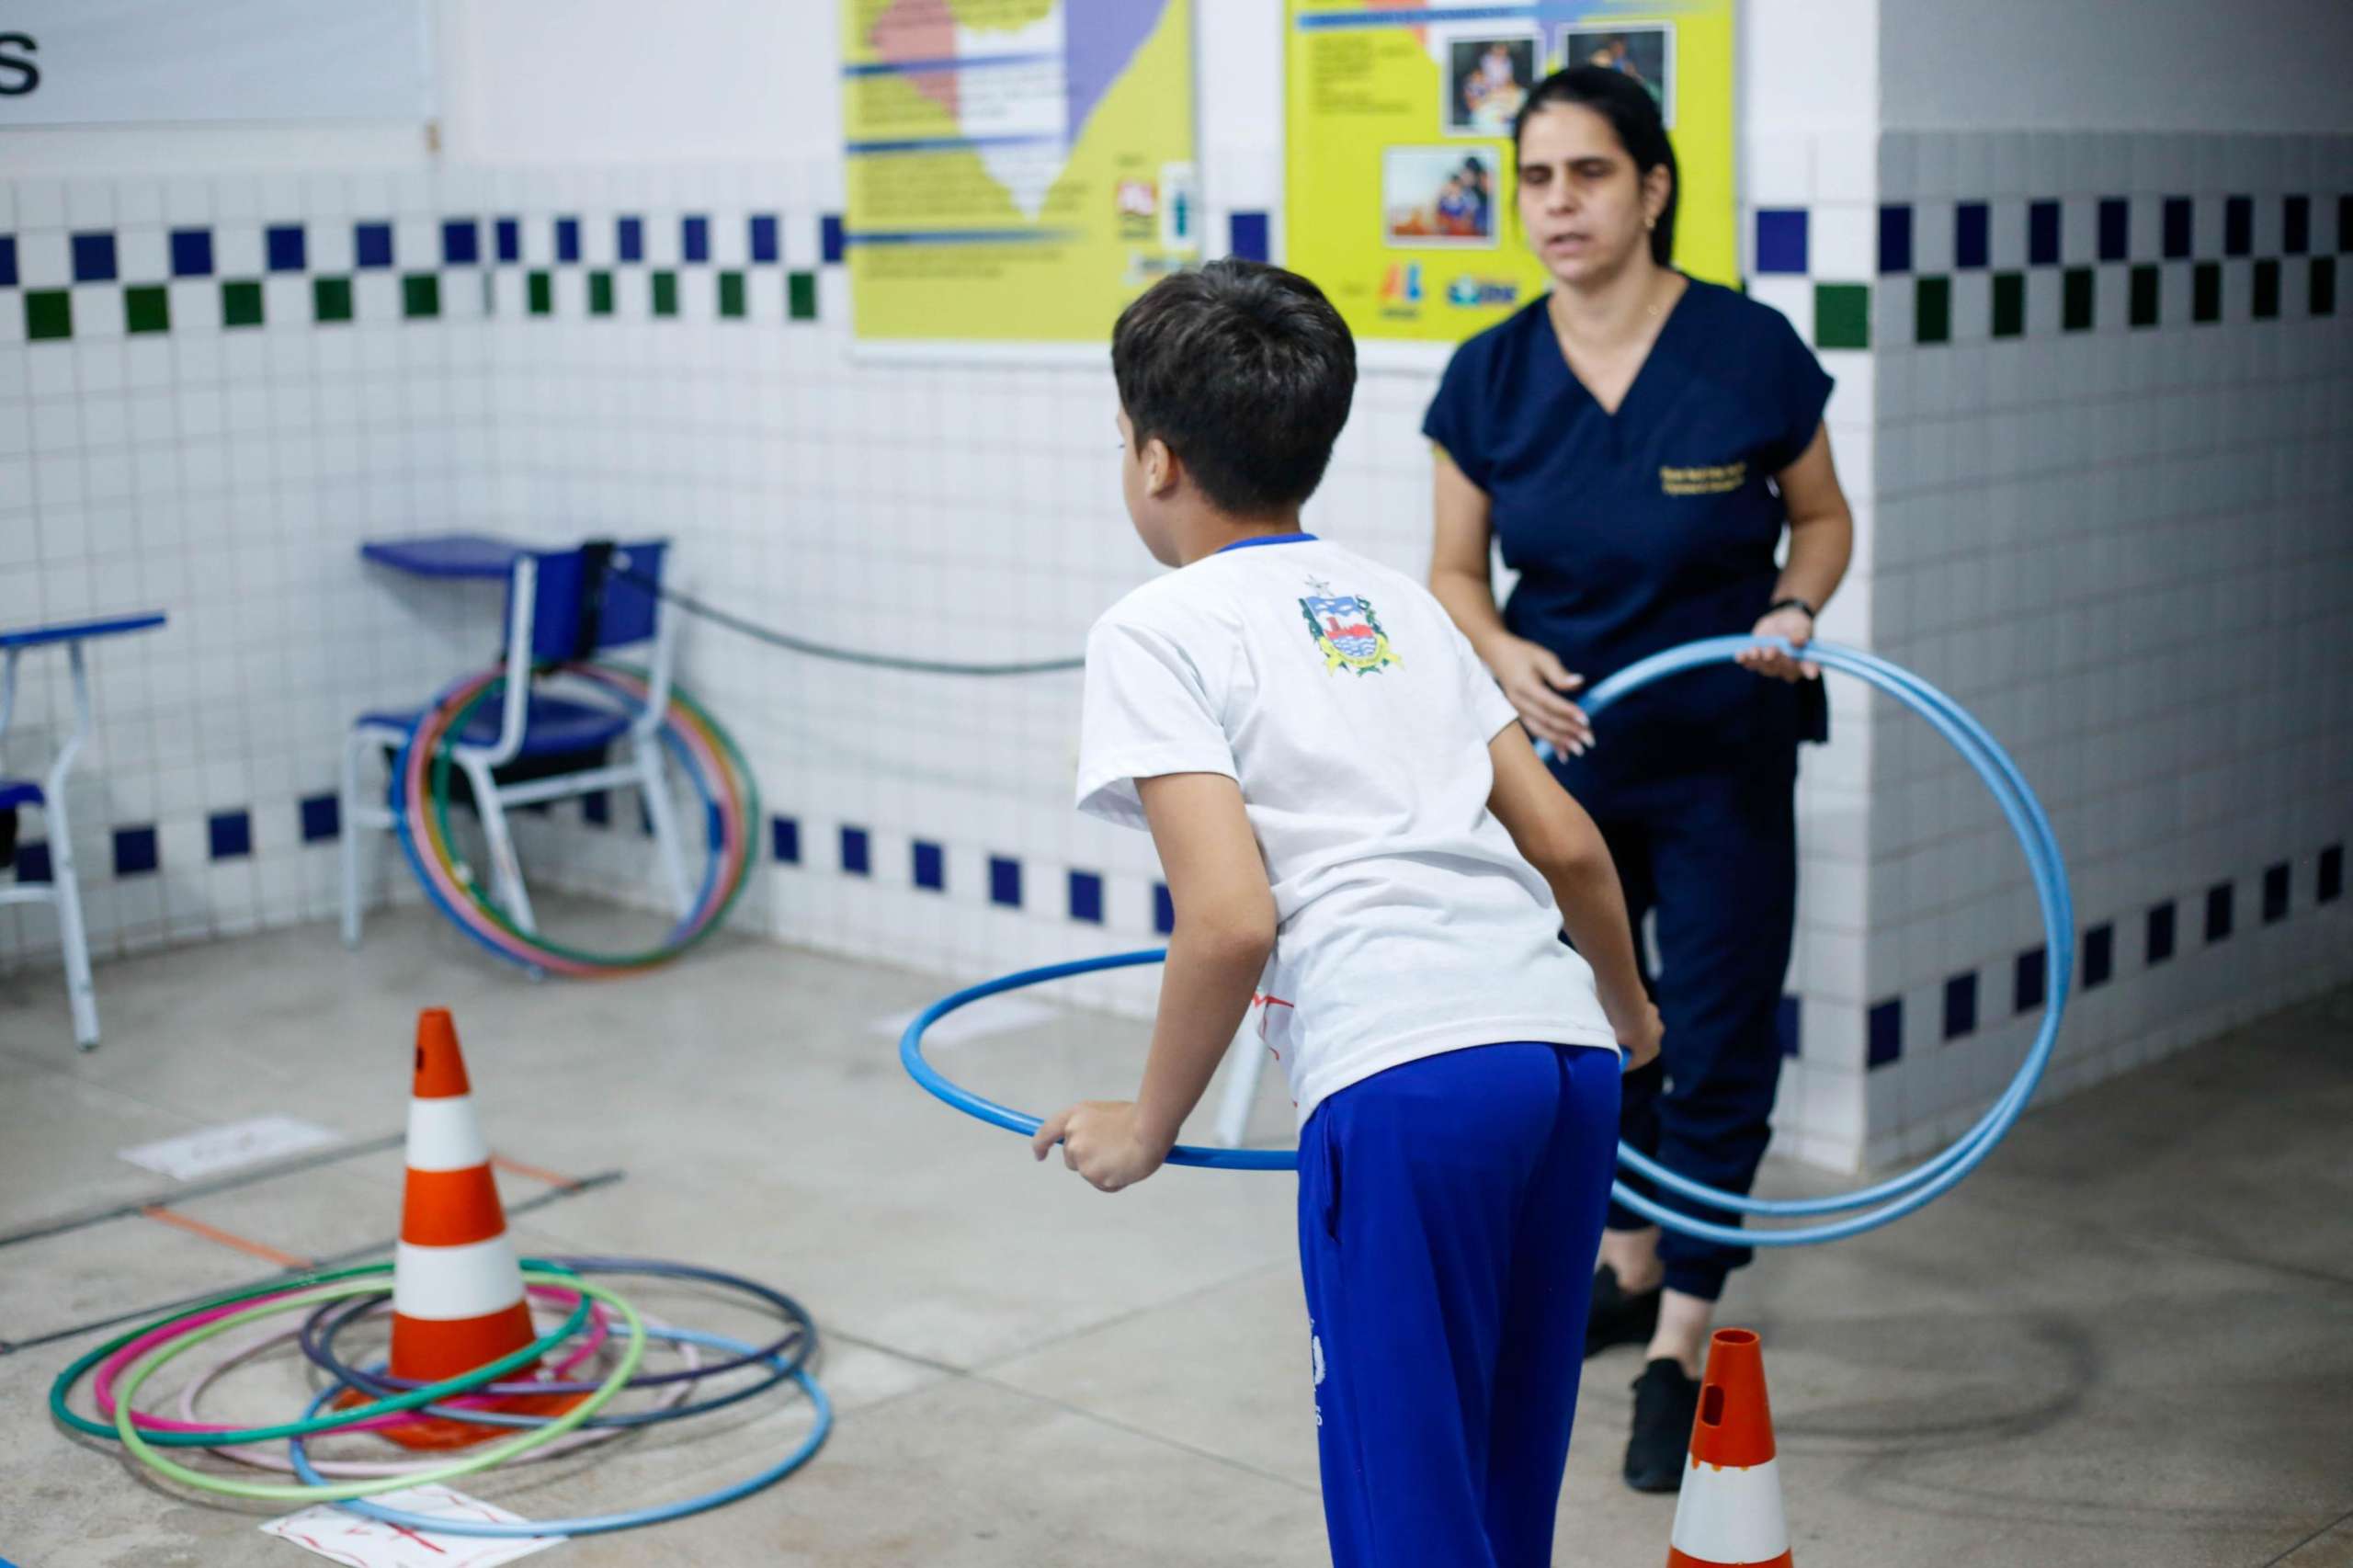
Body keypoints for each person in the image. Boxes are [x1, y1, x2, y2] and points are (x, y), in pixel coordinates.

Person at [1033, 257, 1663, 1567]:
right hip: (1561, 1058)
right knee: (1504, 1473)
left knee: (1405, 1505)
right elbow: (1567, 844)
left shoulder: (1154, 628)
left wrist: (1147, 1126)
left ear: (1154, 458)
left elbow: (1228, 922)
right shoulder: (1401, 600)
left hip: (1403, 1075)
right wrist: (1629, 1012)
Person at [1422, 66, 1855, 1493]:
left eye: (1589, 175)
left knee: (1718, 1028)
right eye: (1537, 179)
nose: (1558, 206)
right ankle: (1623, 1255)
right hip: (1566, 766)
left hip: (1724, 753)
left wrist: (1793, 613)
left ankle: (1681, 1338)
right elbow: (1450, 573)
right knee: (1598, 1024)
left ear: (1652, 187)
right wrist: (1497, 650)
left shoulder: (1747, 352)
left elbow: (1821, 520)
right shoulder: (1488, 374)